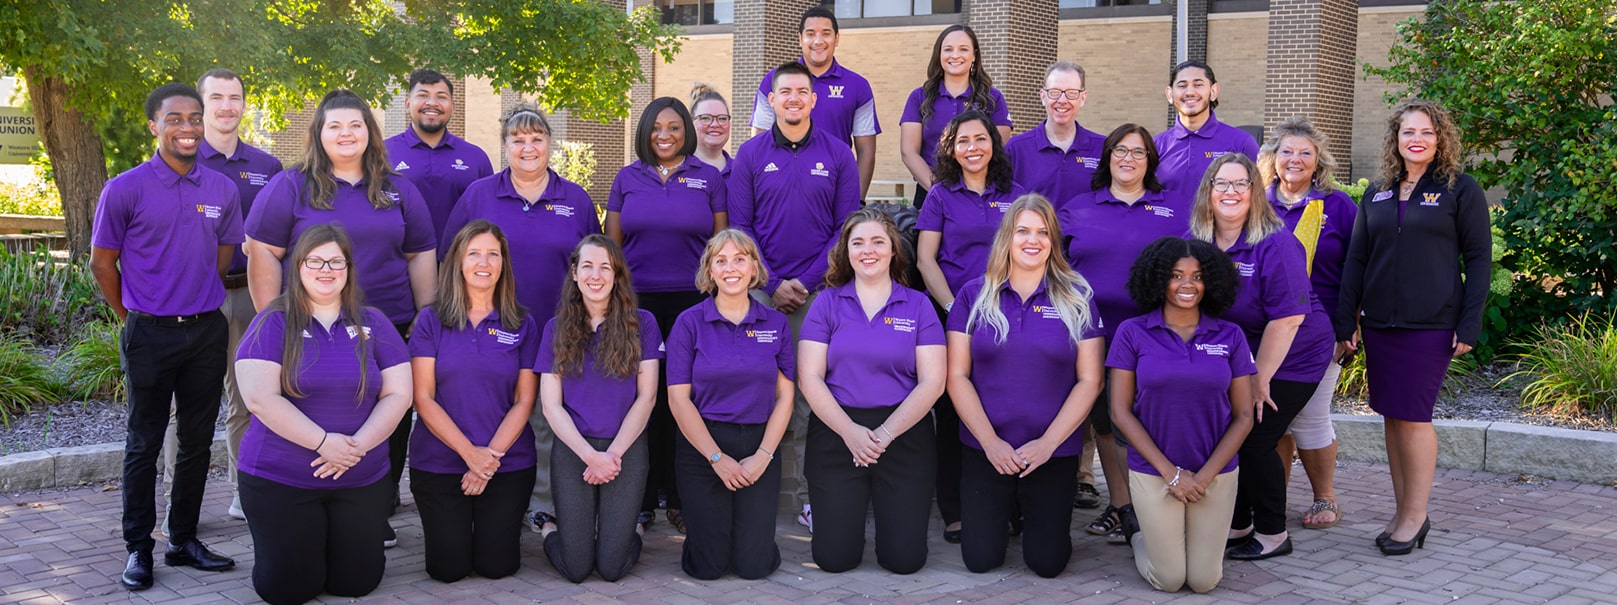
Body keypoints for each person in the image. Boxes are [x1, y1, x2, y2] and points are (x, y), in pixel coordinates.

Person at [246, 89, 437, 545]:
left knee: (388, 414)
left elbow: (421, 254)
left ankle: (376, 506)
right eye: (335, 125)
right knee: (316, 405)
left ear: (370, 132)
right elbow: (263, 251)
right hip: (310, 326)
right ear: (319, 133)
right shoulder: (291, 186)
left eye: (355, 125)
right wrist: (274, 317)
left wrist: (424, 315)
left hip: (385, 326)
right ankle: (309, 498)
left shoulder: (398, 189)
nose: (346, 133)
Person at [90, 82, 242, 591]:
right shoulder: (125, 188)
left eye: (194, 118)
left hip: (205, 331)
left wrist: (193, 299)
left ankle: (183, 539)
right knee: (144, 443)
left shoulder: (221, 189)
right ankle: (139, 547)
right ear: (154, 126)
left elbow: (221, 257)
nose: (187, 127)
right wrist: (133, 314)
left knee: (197, 441)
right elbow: (102, 264)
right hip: (149, 333)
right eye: (174, 119)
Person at [1335, 99, 1490, 556]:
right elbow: (1357, 259)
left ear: (1440, 139)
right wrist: (1347, 317)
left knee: (1415, 417)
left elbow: (1479, 259)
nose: (1417, 139)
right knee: (1392, 415)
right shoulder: (1378, 192)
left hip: (1431, 323)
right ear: (1396, 139)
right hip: (1381, 323)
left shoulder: (1460, 189)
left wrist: (1470, 322)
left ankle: (1416, 515)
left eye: (1426, 132)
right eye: (1408, 132)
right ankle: (1403, 510)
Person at [439, 103, 602, 533]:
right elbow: (451, 258)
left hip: (557, 329)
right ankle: (491, 495)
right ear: (505, 146)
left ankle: (543, 504)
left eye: (536, 138)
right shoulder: (479, 195)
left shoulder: (575, 199)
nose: (528, 148)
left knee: (548, 419)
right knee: (497, 411)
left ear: (550, 143)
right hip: (492, 329)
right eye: (518, 140)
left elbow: (594, 265)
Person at [234, 224, 413, 604]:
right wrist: (323, 443)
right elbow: (259, 398)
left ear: (349, 268)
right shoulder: (273, 322)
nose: (326, 270)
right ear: (298, 267)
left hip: (360, 478)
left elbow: (400, 393)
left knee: (357, 583)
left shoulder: (375, 322)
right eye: (315, 261)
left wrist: (355, 447)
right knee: (288, 590)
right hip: (282, 480)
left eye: (336, 261)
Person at [729, 60, 861, 531]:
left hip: (818, 297)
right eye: (784, 92)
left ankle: (808, 498)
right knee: (755, 393)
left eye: (801, 92)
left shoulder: (839, 154)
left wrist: (804, 281)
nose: (793, 99)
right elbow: (740, 228)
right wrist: (771, 283)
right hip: (760, 297)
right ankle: (748, 493)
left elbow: (846, 229)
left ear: (813, 99)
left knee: (811, 399)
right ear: (771, 100)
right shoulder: (749, 155)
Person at [946, 195, 1104, 577]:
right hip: (987, 448)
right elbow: (956, 376)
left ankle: (1026, 510)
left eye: (1043, 232)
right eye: (1022, 231)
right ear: (1007, 237)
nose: (1033, 240)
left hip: (1051, 450)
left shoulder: (1077, 297)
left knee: (1047, 564)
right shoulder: (973, 295)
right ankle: (1008, 509)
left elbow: (1091, 379)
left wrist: (1048, 444)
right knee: (980, 560)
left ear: (1053, 241)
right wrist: (990, 442)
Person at [1187, 153, 1334, 561]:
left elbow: (1287, 320)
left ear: (1254, 192)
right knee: (1227, 433)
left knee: (1253, 438)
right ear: (1208, 191)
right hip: (1242, 352)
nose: (1230, 191)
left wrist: (1258, 378)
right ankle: (1238, 524)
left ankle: (1273, 534)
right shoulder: (1198, 241)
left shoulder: (1275, 242)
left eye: (1241, 183)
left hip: (1295, 352)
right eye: (1221, 183)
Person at [158, 68, 283, 523]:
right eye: (216, 98)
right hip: (194, 297)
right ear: (202, 105)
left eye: (235, 97)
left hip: (250, 294)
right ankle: (175, 500)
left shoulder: (267, 167)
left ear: (244, 104)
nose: (227, 106)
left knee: (249, 398)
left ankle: (242, 491)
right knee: (184, 404)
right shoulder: (182, 158)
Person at [798, 207, 946, 574]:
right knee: (834, 560)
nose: (868, 250)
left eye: (878, 242)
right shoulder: (826, 303)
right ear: (845, 251)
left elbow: (933, 381)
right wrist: (850, 432)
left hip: (903, 433)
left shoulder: (919, 305)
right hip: (837, 432)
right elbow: (810, 378)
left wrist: (884, 434)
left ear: (893, 249)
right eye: (858, 242)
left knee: (904, 561)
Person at [1058, 123, 1187, 542]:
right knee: (1107, 421)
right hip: (1092, 335)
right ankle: (1121, 505)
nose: (1128, 159)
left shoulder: (1175, 208)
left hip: (1155, 335)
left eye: (1138, 152)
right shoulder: (1078, 207)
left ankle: (1156, 504)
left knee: (1149, 421)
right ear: (1107, 157)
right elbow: (1053, 266)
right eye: (1120, 151)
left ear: (1150, 161)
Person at [606, 96, 728, 534]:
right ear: (644, 131)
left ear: (686, 132)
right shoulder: (626, 178)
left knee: (684, 399)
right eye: (656, 127)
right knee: (641, 399)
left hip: (693, 306)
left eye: (674, 127)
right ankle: (640, 499)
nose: (665, 135)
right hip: (636, 305)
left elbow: (721, 246)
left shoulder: (708, 178)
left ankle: (679, 498)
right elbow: (612, 247)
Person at [1108, 237, 1254, 593]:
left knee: (1204, 581)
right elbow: (1120, 411)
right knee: (1169, 579)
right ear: (1158, 279)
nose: (1187, 284)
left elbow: (1244, 415)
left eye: (1197, 276)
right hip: (1154, 471)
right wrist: (1171, 474)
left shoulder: (1230, 335)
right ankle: (1136, 534)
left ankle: (1176, 537)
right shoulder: (1132, 332)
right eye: (1176, 275)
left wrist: (1203, 477)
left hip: (1214, 473)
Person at [915, 109, 1027, 542]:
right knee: (952, 413)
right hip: (954, 321)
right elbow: (926, 260)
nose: (972, 148)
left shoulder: (1016, 196)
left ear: (993, 145)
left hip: (1008, 319)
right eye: (962, 141)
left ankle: (1010, 504)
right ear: (951, 149)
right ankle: (956, 510)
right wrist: (952, 309)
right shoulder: (940, 195)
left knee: (1006, 408)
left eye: (980, 139)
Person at [407, 220, 538, 582]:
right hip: (440, 463)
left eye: (493, 254)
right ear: (458, 262)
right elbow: (423, 398)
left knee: (497, 567)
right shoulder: (431, 320)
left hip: (506, 463)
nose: (484, 262)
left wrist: (487, 460)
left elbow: (524, 400)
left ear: (503, 263)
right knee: (447, 569)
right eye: (474, 253)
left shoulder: (522, 323)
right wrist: (470, 455)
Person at [665, 229, 795, 579]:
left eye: (739, 259)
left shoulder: (775, 323)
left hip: (758, 444)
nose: (730, 268)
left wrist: (763, 456)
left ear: (754, 267)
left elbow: (785, 396)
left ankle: (749, 537)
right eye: (720, 261)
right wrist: (717, 459)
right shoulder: (689, 323)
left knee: (754, 567)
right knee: (707, 567)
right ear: (709, 270)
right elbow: (678, 399)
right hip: (703, 446)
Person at [535, 235, 662, 583]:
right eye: (588, 266)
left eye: (605, 267)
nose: (596, 275)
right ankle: (548, 527)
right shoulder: (555, 328)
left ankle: (634, 527)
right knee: (576, 569)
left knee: (611, 568)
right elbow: (550, 405)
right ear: (574, 273)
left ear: (617, 275)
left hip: (626, 449)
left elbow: (647, 398)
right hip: (574, 449)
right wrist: (590, 456)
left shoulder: (643, 323)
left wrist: (612, 455)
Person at [1256, 117, 1358, 531]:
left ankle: (1324, 497)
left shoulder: (1339, 207)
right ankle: (1273, 497)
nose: (1295, 159)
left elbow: (1357, 270)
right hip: (1263, 328)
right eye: (1287, 151)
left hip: (1321, 329)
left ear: (1318, 161)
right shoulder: (1257, 204)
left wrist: (1349, 325)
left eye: (1305, 153)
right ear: (1273, 158)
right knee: (1272, 415)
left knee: (1311, 415)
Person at [749, 6, 879, 198]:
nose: (818, 41)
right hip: (780, 188)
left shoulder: (858, 86)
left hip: (835, 189)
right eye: (810, 34)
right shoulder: (772, 81)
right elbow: (758, 141)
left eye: (826, 33)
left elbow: (866, 151)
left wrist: (856, 201)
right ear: (800, 38)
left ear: (837, 38)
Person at [900, 24, 1013, 208]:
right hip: (930, 192)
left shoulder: (993, 99)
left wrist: (967, 189)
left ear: (974, 55)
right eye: (948, 49)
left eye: (963, 49)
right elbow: (908, 152)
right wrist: (938, 191)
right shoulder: (919, 97)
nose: (955, 55)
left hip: (980, 193)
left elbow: (998, 148)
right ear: (939, 54)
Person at [385, 68, 495, 240]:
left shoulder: (476, 158)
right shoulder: (382, 154)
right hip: (399, 256)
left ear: (453, 107)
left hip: (458, 256)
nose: (432, 103)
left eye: (441, 97)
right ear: (407, 104)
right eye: (423, 95)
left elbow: (489, 217)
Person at [1006, 61, 1106, 207]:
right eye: (1054, 92)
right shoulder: (1016, 149)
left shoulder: (1102, 148)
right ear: (1043, 96)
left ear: (1083, 98)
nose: (1062, 100)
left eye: (1071, 93)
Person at [1153, 61, 1259, 193]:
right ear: (1170, 94)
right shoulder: (1156, 146)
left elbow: (1258, 195)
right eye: (1182, 86)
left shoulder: (1241, 143)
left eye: (1198, 85)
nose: (1190, 92)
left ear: (1213, 91)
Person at [691, 83, 734, 179]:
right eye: (705, 118)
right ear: (691, 123)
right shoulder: (676, 170)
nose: (715, 124)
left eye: (722, 118)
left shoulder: (743, 171)